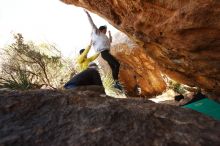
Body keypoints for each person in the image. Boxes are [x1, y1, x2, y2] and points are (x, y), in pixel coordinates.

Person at [84, 10, 122, 90]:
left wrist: (110, 35)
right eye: (104, 29)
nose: (105, 30)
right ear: (101, 30)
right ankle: (116, 82)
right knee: (117, 64)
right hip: (104, 53)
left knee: (113, 67)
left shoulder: (105, 37)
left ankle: (115, 83)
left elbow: (110, 42)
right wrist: (88, 15)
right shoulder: (98, 33)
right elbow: (92, 25)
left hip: (106, 52)